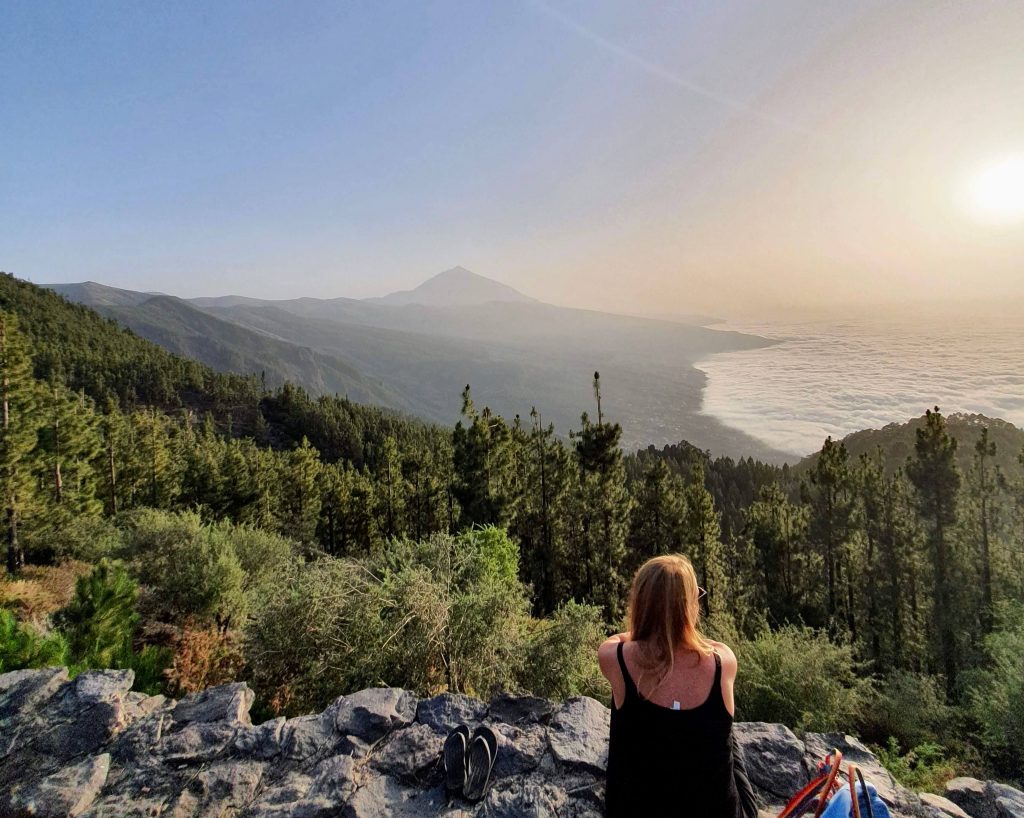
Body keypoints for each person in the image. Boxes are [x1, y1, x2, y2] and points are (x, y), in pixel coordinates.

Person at [599, 554, 755, 818]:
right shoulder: (723, 662)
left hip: (633, 810)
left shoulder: (614, 657)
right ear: (689, 606)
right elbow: (707, 645)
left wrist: (653, 628)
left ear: (640, 603)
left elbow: (621, 638)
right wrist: (680, 632)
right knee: (727, 733)